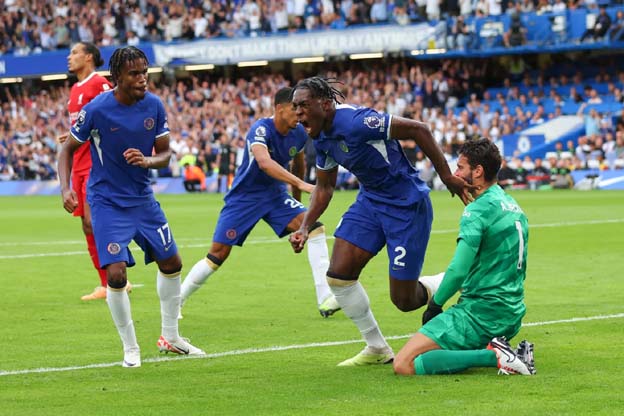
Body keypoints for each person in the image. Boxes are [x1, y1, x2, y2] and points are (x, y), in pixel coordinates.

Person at [289, 77, 474, 366]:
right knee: (339, 275)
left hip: (406, 205)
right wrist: (303, 226)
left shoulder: (357, 122)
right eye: (294, 107)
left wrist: (446, 175)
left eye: (303, 105)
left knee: (404, 301)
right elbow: (324, 188)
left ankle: (450, 281)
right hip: (371, 202)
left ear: (325, 104)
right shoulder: (320, 138)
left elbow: (418, 129)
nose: (297, 113)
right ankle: (376, 348)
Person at [58, 46, 204, 368]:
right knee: (116, 273)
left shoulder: (154, 105)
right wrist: (66, 188)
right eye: (135, 74)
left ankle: (171, 338)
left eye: (145, 72)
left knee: (172, 262)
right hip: (106, 201)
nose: (142, 79)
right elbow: (67, 149)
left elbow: (166, 153)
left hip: (142, 198)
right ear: (116, 79)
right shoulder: (97, 109)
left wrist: (148, 160)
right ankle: (130, 347)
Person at [180, 87, 340, 318]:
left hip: (275, 196)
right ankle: (178, 300)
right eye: (294, 108)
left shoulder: (299, 133)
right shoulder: (260, 129)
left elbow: (299, 162)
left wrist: (298, 214)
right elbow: (264, 163)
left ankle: (325, 298)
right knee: (217, 255)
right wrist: (304, 185)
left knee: (315, 228)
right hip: (245, 198)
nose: (299, 113)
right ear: (279, 109)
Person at [393, 139, 535, 376]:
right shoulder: (512, 205)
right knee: (436, 353)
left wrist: (435, 305)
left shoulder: (476, 211)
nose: (455, 174)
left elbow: (458, 270)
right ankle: (500, 349)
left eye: (460, 168)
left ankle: (497, 356)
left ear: (477, 171)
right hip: (511, 313)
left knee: (404, 364)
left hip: (480, 314)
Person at [59, 42, 128, 301]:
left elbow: (115, 114)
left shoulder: (99, 83)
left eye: (75, 52)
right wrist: (73, 134)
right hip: (78, 162)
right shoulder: (75, 88)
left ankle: (116, 278)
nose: (70, 57)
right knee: (86, 226)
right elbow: (86, 123)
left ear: (88, 57)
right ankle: (106, 283)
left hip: (96, 163)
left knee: (93, 221)